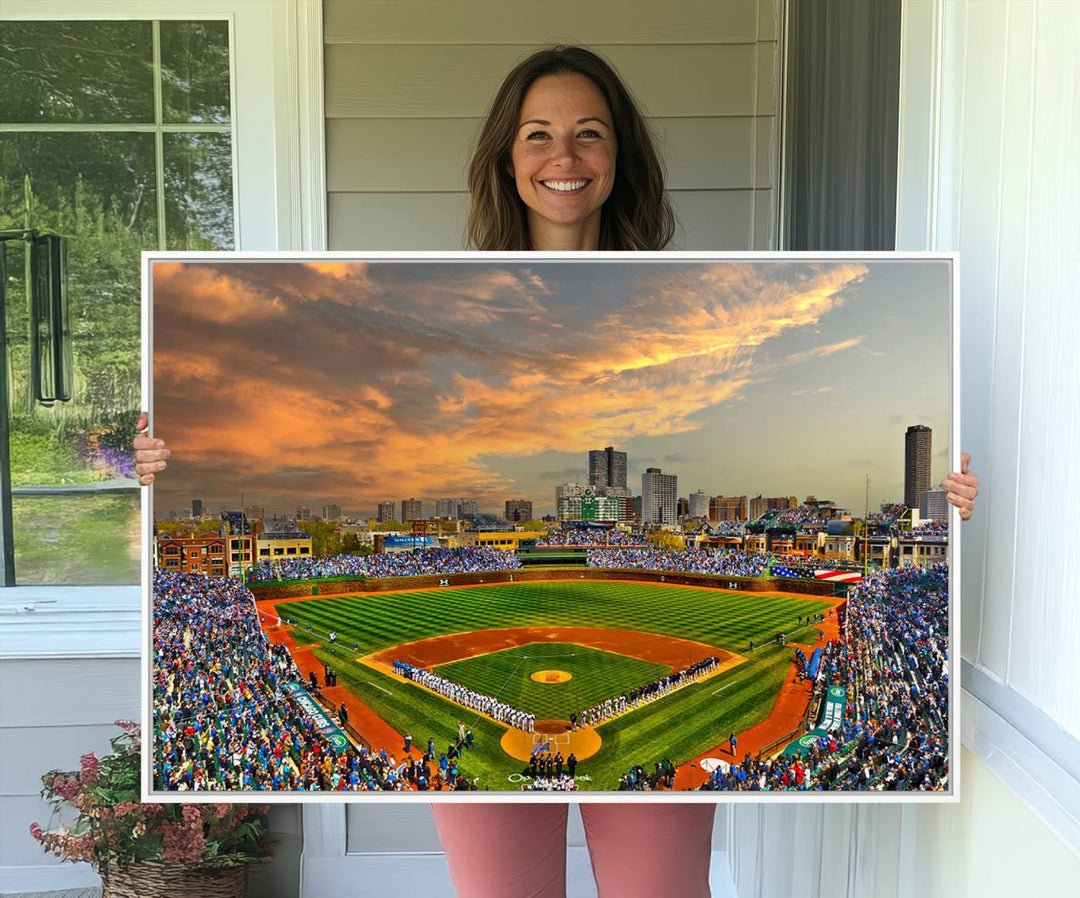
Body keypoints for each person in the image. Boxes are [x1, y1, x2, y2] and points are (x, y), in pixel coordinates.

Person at [134, 42, 980, 898]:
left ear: (621, 158)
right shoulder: (449, 291)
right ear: (507, 158)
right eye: (537, 134)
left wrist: (949, 507)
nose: (563, 157)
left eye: (589, 134)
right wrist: (156, 466)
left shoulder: (681, 296)